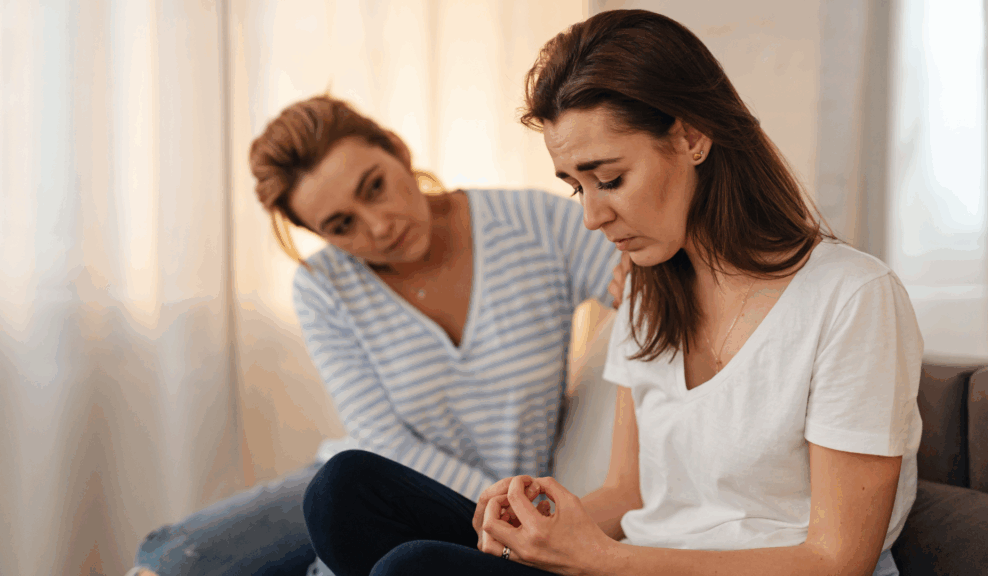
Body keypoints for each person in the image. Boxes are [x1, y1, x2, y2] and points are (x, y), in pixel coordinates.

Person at [302, 9, 922, 576]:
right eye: (577, 187)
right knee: (344, 489)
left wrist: (605, 561)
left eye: (610, 179)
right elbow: (629, 496)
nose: (591, 217)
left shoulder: (852, 297)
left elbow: (838, 559)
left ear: (692, 137)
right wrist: (536, 524)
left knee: (412, 569)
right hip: (629, 564)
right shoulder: (650, 293)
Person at [130, 96, 625, 576]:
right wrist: (501, 510)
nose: (380, 225)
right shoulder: (324, 287)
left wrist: (513, 513)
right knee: (167, 563)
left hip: (486, 508)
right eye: (342, 225)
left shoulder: (534, 224)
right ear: (321, 235)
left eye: (374, 187)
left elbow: (644, 275)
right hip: (375, 488)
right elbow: (384, 441)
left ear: (397, 150)